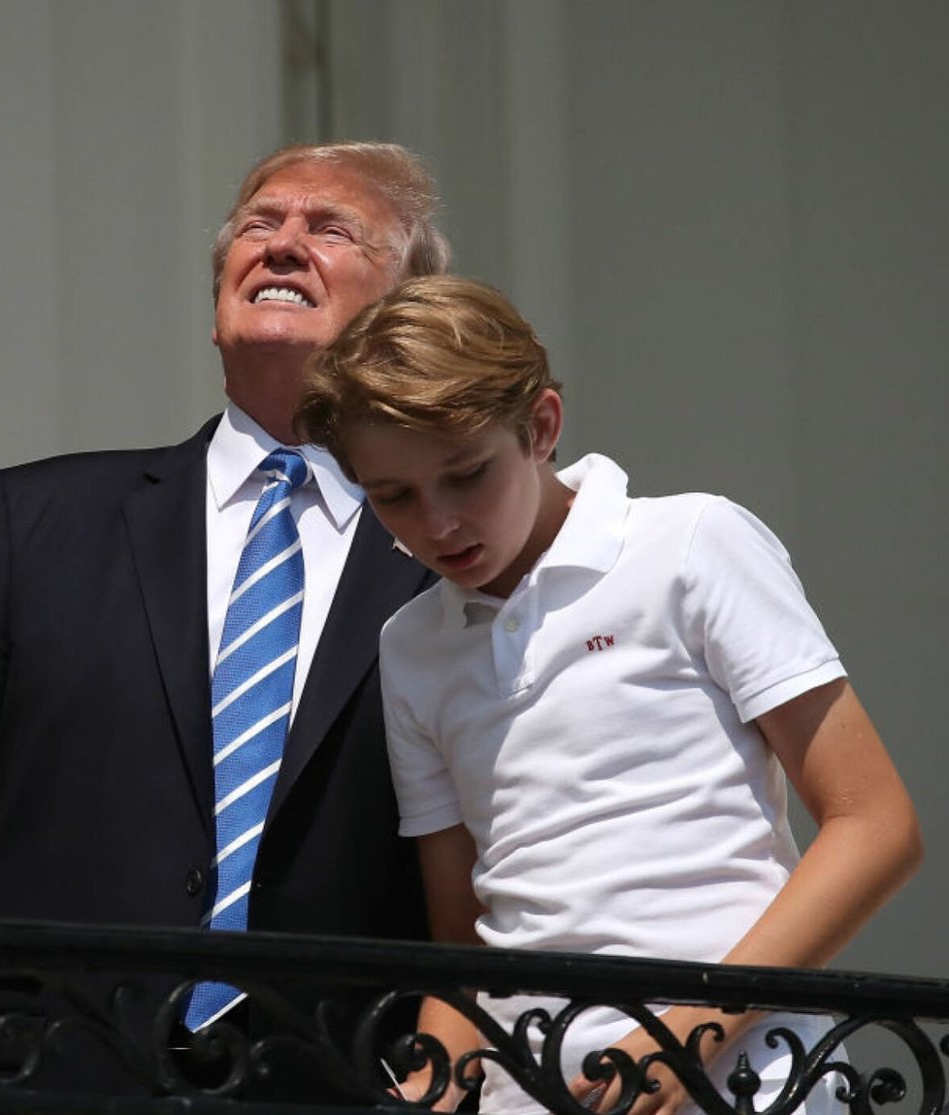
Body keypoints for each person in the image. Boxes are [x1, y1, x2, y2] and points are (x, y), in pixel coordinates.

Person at [0, 142, 450, 1098]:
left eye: (330, 229)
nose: (283, 244)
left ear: (408, 311)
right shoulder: (34, 522)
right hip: (54, 1080)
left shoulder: (446, 563)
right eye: (259, 225)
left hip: (342, 1084)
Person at [294, 274, 923, 1115]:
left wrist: (689, 1033)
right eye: (393, 496)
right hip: (525, 1094)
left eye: (467, 473)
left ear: (542, 427)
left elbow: (876, 825)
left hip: (745, 1078)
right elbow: (465, 936)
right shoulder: (411, 646)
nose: (437, 523)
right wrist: (436, 1082)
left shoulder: (691, 543)